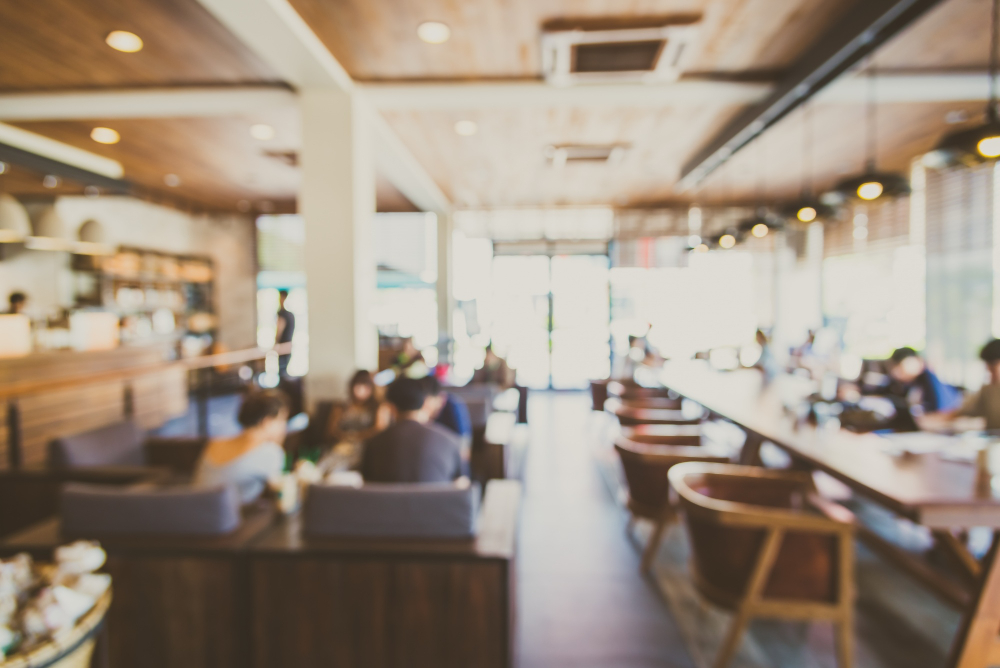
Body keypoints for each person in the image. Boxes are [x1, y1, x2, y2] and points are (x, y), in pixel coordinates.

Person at [361, 376, 464, 483]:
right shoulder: (449, 441)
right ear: (424, 403)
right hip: (436, 494)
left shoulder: (374, 444)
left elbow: (367, 485)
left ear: (391, 408)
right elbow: (462, 485)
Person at [194, 389, 289, 503]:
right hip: (229, 514)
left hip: (194, 509)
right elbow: (282, 494)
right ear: (267, 422)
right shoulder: (270, 452)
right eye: (282, 419)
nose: (284, 427)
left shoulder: (214, 443)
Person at [938, 339, 1000, 430]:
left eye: (993, 366)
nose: (989, 372)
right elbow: (958, 413)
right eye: (988, 367)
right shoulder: (988, 391)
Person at [325, 370, 391, 443]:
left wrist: (357, 437)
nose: (361, 390)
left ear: (372, 389)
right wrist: (346, 437)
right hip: (342, 445)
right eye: (358, 387)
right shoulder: (341, 406)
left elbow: (380, 429)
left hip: (369, 445)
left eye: (366, 387)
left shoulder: (379, 407)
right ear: (352, 387)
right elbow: (332, 431)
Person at [422, 375, 472, 443]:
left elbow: (464, 442)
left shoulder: (453, 406)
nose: (425, 407)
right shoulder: (423, 408)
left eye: (427, 403)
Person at [274, 289, 295, 376]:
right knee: (284, 370)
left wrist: (276, 342)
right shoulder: (290, 315)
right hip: (288, 346)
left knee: (282, 371)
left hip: (283, 347)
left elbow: (280, 329)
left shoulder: (282, 313)